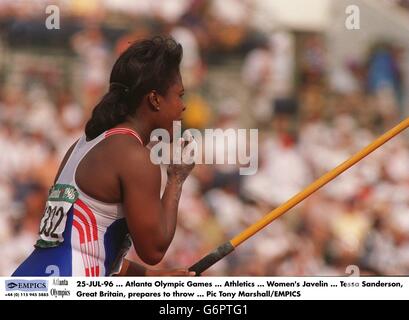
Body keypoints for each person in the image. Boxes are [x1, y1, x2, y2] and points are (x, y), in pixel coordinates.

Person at [12, 36, 195, 276]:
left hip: (28, 278)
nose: (183, 106)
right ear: (154, 99)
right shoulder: (135, 157)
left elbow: (79, 246)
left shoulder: (82, 144)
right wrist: (176, 179)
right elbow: (154, 250)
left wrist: (152, 276)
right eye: (179, 95)